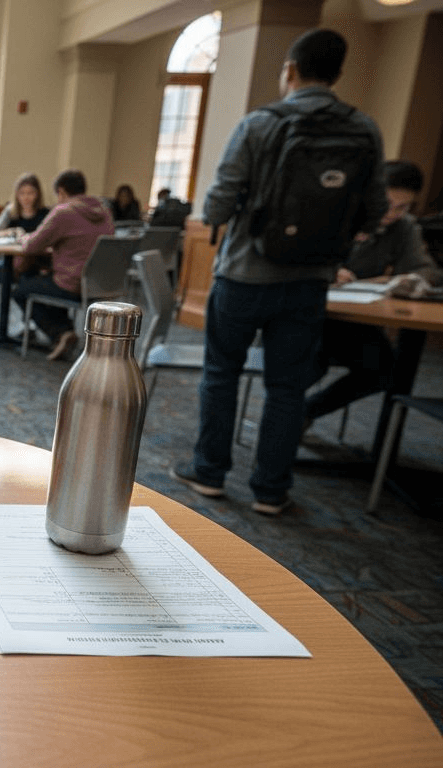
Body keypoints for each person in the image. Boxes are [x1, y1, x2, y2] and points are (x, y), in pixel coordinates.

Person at [171, 29, 386, 516]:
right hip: (310, 280)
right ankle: (271, 489)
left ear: (290, 69)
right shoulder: (363, 129)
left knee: (222, 373)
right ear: (338, 73)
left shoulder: (259, 125)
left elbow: (218, 203)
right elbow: (373, 212)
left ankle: (209, 473)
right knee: (287, 386)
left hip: (246, 272)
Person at [305, 160, 436, 424]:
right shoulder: (337, 211)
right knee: (308, 365)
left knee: (384, 370)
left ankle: (306, 413)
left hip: (354, 320)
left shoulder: (404, 227)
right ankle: (282, 429)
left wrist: (407, 280)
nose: (393, 213)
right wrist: (331, 271)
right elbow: (300, 256)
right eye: (388, 203)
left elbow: (425, 269)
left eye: (403, 207)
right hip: (310, 313)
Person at [11, 168, 114, 360]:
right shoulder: (104, 211)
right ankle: (64, 331)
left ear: (62, 192)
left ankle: (59, 333)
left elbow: (32, 246)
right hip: (101, 285)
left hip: (72, 283)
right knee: (46, 281)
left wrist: (23, 237)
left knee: (21, 290)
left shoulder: (64, 212)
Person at [0, 173, 49, 329]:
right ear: (17, 194)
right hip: (9, 261)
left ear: (37, 194)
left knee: (26, 284)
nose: (26, 198)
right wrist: (12, 231)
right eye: (22, 193)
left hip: (34, 263)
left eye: (30, 193)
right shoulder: (11, 211)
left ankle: (27, 327)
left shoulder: (45, 214)